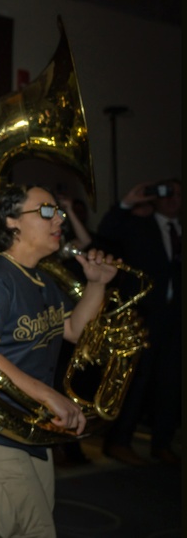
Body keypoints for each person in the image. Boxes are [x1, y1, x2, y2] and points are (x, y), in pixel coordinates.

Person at [0, 184, 118, 538]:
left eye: (59, 212)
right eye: (46, 211)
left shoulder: (42, 277)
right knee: (33, 531)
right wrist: (49, 395)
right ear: (11, 221)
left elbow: (71, 330)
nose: (59, 219)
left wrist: (96, 285)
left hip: (28, 426)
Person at [98, 179, 182, 465]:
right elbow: (106, 233)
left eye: (178, 195)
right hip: (144, 316)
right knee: (136, 380)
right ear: (155, 198)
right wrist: (127, 203)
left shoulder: (180, 231)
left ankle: (163, 442)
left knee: (171, 383)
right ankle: (119, 441)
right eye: (167, 194)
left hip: (175, 320)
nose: (173, 200)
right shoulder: (139, 226)